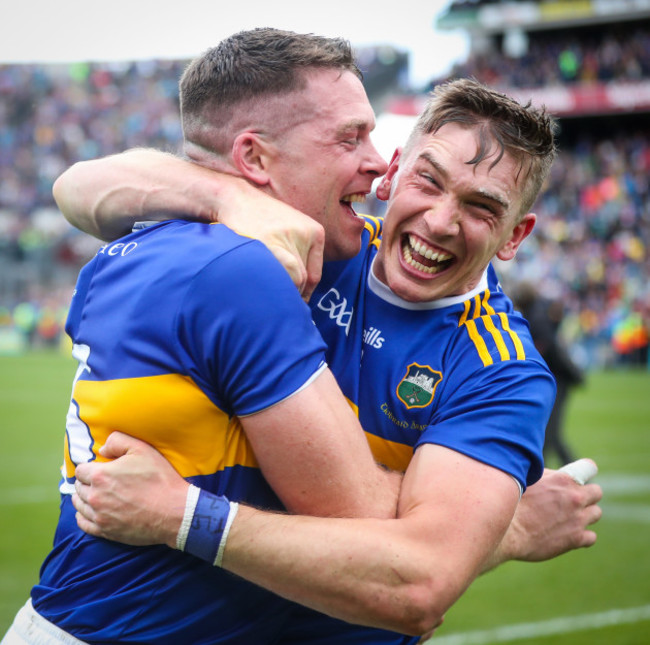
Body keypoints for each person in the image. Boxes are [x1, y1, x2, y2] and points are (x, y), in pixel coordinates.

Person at [6, 30, 602, 645]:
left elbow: (418, 581)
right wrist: (502, 528)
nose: (441, 222)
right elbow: (79, 185)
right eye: (428, 181)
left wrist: (181, 515)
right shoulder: (306, 245)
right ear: (393, 175)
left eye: (481, 208)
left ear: (514, 235)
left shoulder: (502, 371)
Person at [515, 282, 584, 465]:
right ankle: (566, 471)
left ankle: (540, 474)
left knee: (550, 432)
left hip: (555, 379)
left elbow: (550, 349)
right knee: (550, 432)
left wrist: (572, 372)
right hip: (554, 378)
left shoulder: (536, 318)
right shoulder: (538, 313)